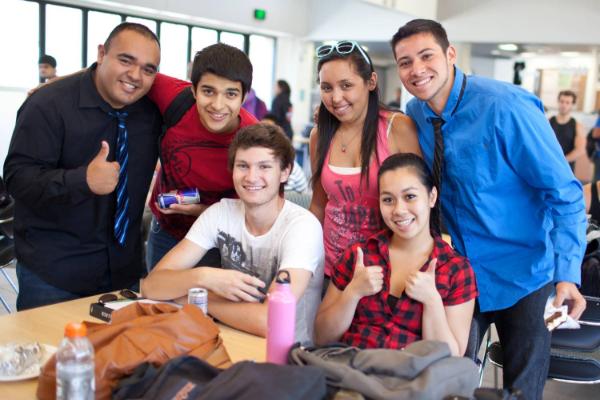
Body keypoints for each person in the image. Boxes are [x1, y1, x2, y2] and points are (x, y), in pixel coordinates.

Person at [391, 19, 586, 399]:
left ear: (450, 55)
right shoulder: (415, 113)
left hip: (525, 274)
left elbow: (565, 194)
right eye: (405, 62)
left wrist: (567, 274)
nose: (417, 70)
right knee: (449, 380)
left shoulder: (506, 107)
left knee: (521, 391)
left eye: (426, 56)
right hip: (460, 272)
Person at [4, 22, 162, 310]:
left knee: (119, 355)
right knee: (51, 355)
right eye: (125, 60)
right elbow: (17, 178)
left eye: (148, 69)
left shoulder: (151, 112)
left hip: (124, 273)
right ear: (101, 54)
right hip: (54, 274)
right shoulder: (48, 104)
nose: (135, 75)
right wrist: (82, 181)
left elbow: (206, 92)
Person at [141, 123, 324, 344]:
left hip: (288, 356)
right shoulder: (220, 213)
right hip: (226, 340)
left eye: (264, 167)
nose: (251, 177)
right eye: (243, 166)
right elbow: (152, 286)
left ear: (285, 172)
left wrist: (199, 296)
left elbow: (271, 321)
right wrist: (204, 277)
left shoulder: (302, 227)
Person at [315, 152, 476, 355]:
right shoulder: (359, 256)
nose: (399, 210)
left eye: (410, 197)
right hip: (350, 373)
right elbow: (321, 337)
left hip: (414, 381)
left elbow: (452, 359)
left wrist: (432, 301)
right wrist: (352, 293)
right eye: (388, 200)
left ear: (431, 197)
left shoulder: (456, 270)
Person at [309, 40, 421, 283]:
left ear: (371, 82)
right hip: (332, 270)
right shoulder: (319, 136)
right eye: (326, 88)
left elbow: (419, 204)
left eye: (346, 85)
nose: (336, 97)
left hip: (385, 270)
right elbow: (318, 205)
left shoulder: (397, 128)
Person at [145, 43, 257, 271]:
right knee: (158, 300)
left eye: (231, 94)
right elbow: (113, 74)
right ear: (193, 90)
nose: (217, 105)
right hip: (165, 231)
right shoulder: (175, 98)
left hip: (219, 239)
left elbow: (260, 212)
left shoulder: (253, 139)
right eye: (208, 91)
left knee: (208, 305)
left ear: (244, 96)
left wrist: (200, 211)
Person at [261, 113, 309, 194]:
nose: (263, 133)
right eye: (261, 128)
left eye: (269, 130)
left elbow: (281, 197)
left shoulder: (283, 163)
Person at [548, 90, 586, 171]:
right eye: (562, 101)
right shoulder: (548, 122)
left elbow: (580, 149)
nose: (564, 105)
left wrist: (562, 161)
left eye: (567, 102)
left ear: (572, 105)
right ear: (558, 102)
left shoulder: (577, 126)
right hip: (549, 166)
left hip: (566, 169)